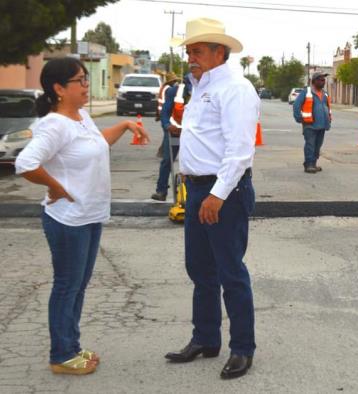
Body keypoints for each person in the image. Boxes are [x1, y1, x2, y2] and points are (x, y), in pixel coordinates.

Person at [14, 57, 149, 375]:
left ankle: (71, 346)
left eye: (87, 79)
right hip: (67, 219)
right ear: (59, 89)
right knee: (66, 285)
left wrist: (126, 124)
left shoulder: (81, 117)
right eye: (80, 81)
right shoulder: (54, 124)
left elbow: (97, 143)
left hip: (88, 215)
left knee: (78, 285)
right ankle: (61, 355)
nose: (86, 86)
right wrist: (55, 186)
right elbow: (25, 163)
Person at [163, 18, 259, 380]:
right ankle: (205, 338)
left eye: (198, 51)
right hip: (197, 189)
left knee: (230, 272)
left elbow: (239, 150)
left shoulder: (236, 88)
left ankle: (242, 349)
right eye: (189, 51)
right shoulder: (200, 87)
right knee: (200, 270)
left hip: (225, 192)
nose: (191, 57)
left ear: (221, 52)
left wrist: (217, 195)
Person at [151, 74, 192, 201]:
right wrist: (167, 126)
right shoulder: (174, 92)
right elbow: (165, 112)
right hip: (174, 132)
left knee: (192, 164)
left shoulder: (206, 92)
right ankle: (161, 191)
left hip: (193, 136)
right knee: (167, 161)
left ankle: (193, 192)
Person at [293, 71, 332, 173]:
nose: (323, 81)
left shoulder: (325, 94)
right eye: (320, 80)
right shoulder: (306, 92)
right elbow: (296, 105)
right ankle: (309, 164)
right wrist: (299, 118)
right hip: (309, 125)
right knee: (310, 144)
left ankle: (313, 163)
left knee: (318, 145)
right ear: (314, 81)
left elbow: (327, 108)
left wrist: (328, 121)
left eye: (324, 80)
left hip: (322, 125)